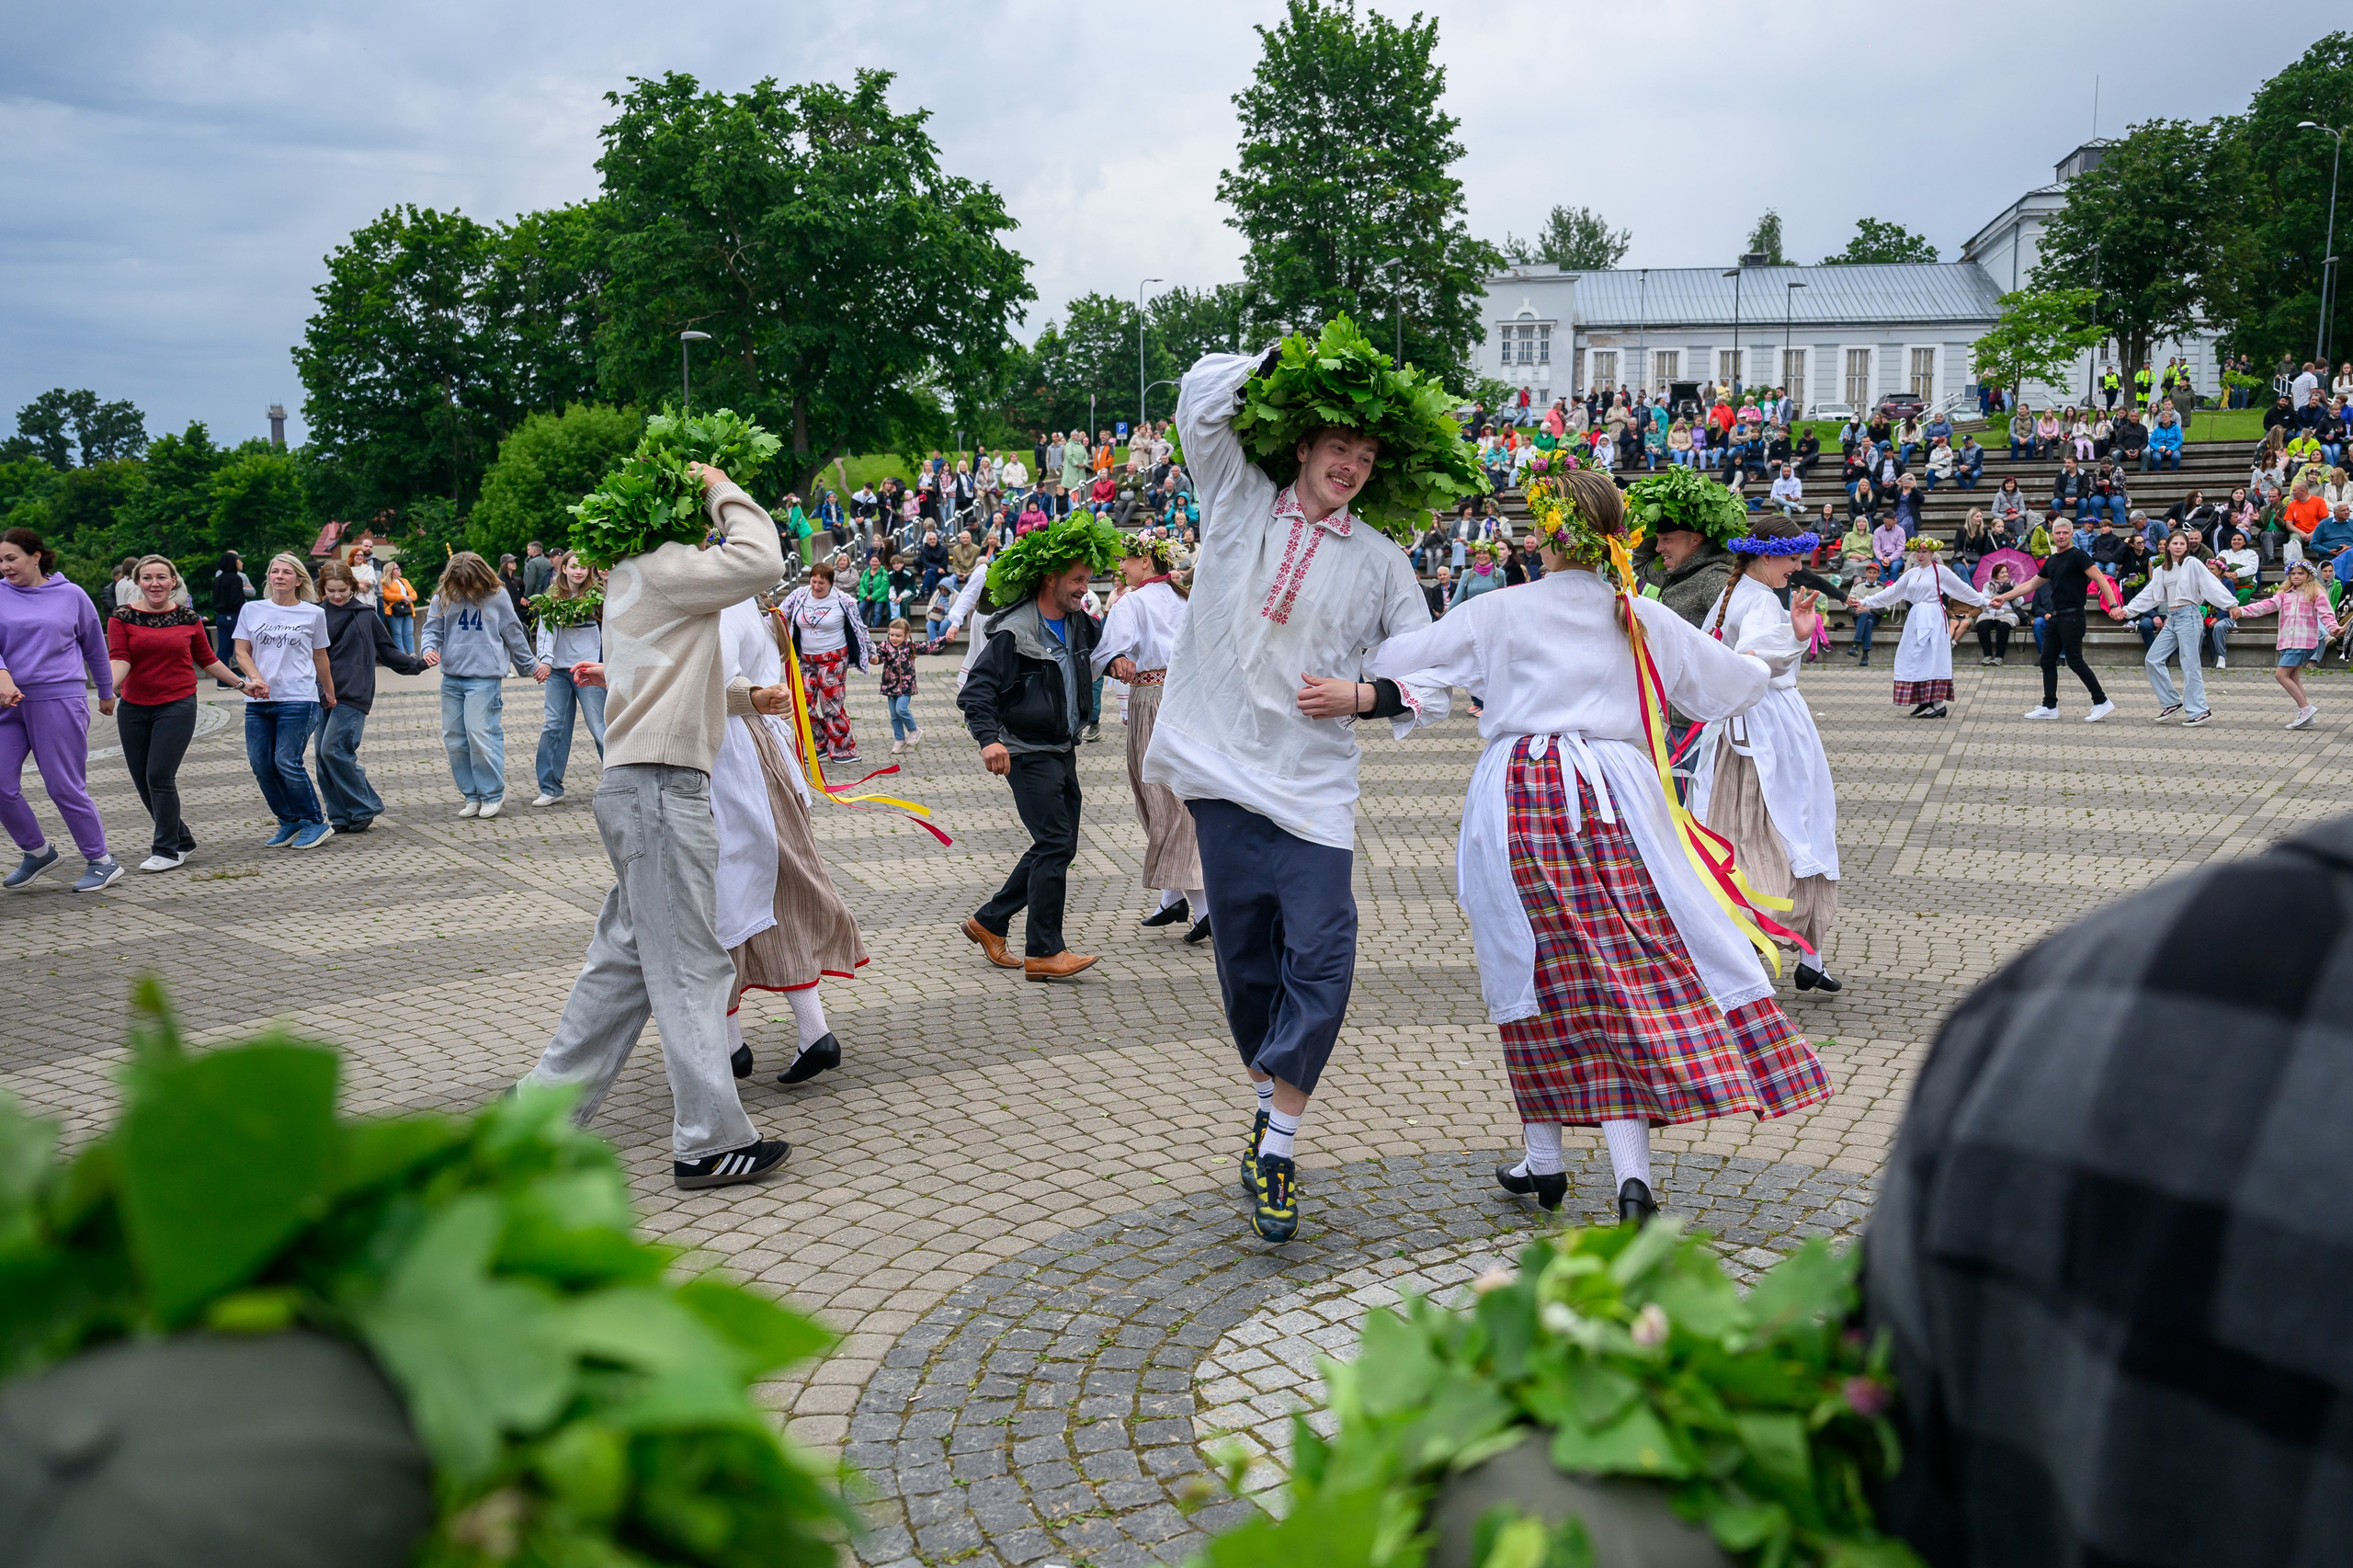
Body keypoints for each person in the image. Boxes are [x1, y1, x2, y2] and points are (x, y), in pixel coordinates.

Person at [1368, 469, 1829, 1223]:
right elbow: (1733, 684)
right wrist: (1780, 644)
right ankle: (1620, 1175)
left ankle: (1548, 1161)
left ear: (1549, 535)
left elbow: (1400, 658)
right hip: (1615, 798)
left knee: (1534, 968)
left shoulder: (1501, 608)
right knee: (1618, 971)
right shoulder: (1637, 612)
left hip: (1522, 795)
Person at [1142, 343, 1450, 1247]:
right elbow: (1199, 402)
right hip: (1220, 767)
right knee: (1246, 963)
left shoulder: (1383, 561)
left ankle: (1278, 1144)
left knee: (1322, 954)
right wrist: (1274, 364)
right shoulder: (1236, 496)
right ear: (1306, 444)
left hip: (1315, 787)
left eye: (1366, 455)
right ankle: (1263, 1102)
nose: (1350, 465)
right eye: (1338, 445)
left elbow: (1432, 677)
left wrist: (1363, 696)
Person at [520, 460, 794, 1192]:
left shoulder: (636, 575)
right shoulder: (667, 565)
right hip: (661, 790)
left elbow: (665, 677)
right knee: (691, 968)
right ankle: (708, 1142)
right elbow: (763, 559)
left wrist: (746, 699)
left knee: (622, 968)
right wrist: (720, 487)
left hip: (644, 786)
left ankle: (533, 1119)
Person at [710, 596, 867, 1088]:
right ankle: (807, 1033)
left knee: (726, 895)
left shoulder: (720, 604)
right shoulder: (748, 606)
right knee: (775, 894)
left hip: (733, 761)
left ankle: (731, 1045)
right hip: (760, 754)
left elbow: (714, 682)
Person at [958, 514, 1120, 984]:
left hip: (1061, 747)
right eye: (1077, 581)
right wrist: (989, 740)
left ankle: (989, 920)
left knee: (1059, 844)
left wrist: (1118, 660)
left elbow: (1104, 651)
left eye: (1087, 581)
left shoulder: (1080, 624)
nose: (1084, 589)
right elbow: (975, 692)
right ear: (1051, 578)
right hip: (1025, 751)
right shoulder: (1015, 633)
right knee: (1054, 843)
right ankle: (1044, 951)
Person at [1686, 518, 1844, 990]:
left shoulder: (1736, 591)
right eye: (1792, 559)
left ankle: (1808, 956)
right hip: (1766, 726)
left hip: (1750, 722)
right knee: (1780, 829)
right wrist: (1795, 636)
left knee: (1769, 825)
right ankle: (1757, 948)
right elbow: (1752, 658)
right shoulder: (1756, 599)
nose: (1797, 568)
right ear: (1767, 556)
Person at [105, 555, 253, 871]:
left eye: (161, 577)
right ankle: (182, 839)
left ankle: (167, 849)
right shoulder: (122, 617)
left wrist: (241, 684)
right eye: (147, 578)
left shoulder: (188, 617)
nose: (154, 584)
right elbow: (120, 657)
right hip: (133, 707)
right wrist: (109, 689)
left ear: (173, 581)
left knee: (159, 776)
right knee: (143, 780)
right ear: (138, 582)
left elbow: (207, 659)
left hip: (177, 705)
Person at [1092, 536, 1206, 941]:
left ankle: (1204, 907)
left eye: (1125, 559)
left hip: (1153, 700)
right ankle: (1172, 898)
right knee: (1180, 795)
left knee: (1161, 798)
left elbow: (1103, 655)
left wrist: (1114, 659)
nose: (1120, 567)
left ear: (1145, 560)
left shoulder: (1132, 603)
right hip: (1191, 700)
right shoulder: (1185, 597)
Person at [0, 528, 123, 892]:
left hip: (58, 699)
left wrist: (105, 691)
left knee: (63, 785)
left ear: (36, 556)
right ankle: (37, 852)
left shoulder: (71, 595)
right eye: (0, 560)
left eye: (11, 558)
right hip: (8, 702)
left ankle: (102, 860)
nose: (5, 566)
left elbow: (95, 647)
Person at [420, 551, 538, 818]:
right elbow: (432, 629)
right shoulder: (443, 596)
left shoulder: (497, 596)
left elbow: (513, 632)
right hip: (452, 677)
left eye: (469, 584)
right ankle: (471, 795)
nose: (465, 590)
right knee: (454, 739)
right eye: (460, 584)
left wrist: (529, 665)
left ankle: (492, 793)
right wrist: (428, 649)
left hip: (484, 679)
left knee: (480, 734)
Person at [312, 560, 426, 833]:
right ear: (322, 589)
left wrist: (418, 664)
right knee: (321, 757)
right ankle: (340, 815)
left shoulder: (365, 615)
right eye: (331, 591)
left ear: (352, 586)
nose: (337, 596)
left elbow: (387, 650)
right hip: (320, 693)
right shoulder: (315, 615)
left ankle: (364, 806)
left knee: (334, 750)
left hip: (353, 693)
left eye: (342, 590)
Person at [233, 552, 337, 851]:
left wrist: (329, 691)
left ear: (298, 580)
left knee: (286, 761)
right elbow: (241, 651)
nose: (279, 576)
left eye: (286, 572)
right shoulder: (251, 610)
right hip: (259, 700)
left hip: (299, 698)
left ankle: (314, 821)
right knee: (261, 764)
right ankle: (289, 820)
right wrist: (255, 679)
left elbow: (320, 656)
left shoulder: (313, 614)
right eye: (275, 571)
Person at [1988, 518, 2117, 722]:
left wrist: (2114, 605)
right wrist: (2003, 597)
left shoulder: (2079, 556)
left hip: (2073, 616)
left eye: (2065, 533)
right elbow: (2031, 585)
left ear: (2072, 534)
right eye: (2058, 533)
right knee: (2047, 660)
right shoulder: (2052, 560)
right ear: (2052, 535)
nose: (2061, 536)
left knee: (2075, 660)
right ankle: (2049, 706)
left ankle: (2101, 701)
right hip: (2055, 616)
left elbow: (2100, 579)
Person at [1849, 538, 1988, 720]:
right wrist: (1865, 602)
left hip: (1933, 616)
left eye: (1924, 552)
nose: (1920, 555)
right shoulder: (1912, 573)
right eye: (1918, 552)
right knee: (1913, 655)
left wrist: (1984, 601)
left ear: (1932, 553)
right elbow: (1892, 592)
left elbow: (1961, 589)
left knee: (1933, 655)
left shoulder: (1940, 571)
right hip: (1916, 617)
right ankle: (1925, 697)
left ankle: (1938, 703)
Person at [2118, 533, 2234, 727]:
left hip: (2189, 616)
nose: (2178, 546)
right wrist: (2128, 611)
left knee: (2190, 665)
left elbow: (2211, 584)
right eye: (2175, 543)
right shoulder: (2161, 570)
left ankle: (2200, 710)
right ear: (2168, 546)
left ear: (2187, 547)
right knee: (2152, 659)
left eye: (2182, 543)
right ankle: (2171, 702)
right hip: (2172, 618)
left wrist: (2230, 604)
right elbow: (2150, 594)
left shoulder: (2192, 564)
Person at [529, 551, 607, 808]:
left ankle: (616, 781)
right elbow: (546, 631)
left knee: (600, 727)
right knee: (554, 726)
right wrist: (545, 660)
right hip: (559, 673)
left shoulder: (598, 597)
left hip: (589, 670)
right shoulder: (551, 598)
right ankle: (550, 787)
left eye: (584, 567)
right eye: (574, 566)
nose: (579, 571)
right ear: (563, 568)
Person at [776, 562, 871, 765]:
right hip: (806, 659)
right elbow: (778, 615)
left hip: (833, 659)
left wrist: (871, 651)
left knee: (831, 706)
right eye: (814, 581)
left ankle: (843, 748)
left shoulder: (843, 600)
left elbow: (860, 627)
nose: (816, 586)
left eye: (821, 583)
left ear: (831, 583)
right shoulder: (800, 595)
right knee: (802, 705)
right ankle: (818, 743)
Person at [2232, 561, 2338, 729]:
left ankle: (2305, 709)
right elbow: (2265, 606)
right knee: (2293, 677)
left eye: (2300, 573)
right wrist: (2243, 610)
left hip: (2303, 641)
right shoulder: (2284, 594)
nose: (2296, 576)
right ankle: (2306, 715)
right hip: (2287, 641)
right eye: (2293, 573)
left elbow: (2326, 613)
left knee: (2281, 675)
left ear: (2308, 575)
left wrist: (2333, 628)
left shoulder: (2315, 592)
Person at [876, 617, 919, 754]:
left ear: (906, 635)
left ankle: (914, 730)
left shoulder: (911, 647)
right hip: (890, 687)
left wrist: (945, 639)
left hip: (906, 687)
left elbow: (929, 646)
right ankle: (899, 740)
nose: (894, 638)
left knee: (901, 709)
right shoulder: (885, 646)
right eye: (892, 635)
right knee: (894, 716)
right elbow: (878, 657)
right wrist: (873, 658)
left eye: (898, 636)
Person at [210, 550, 250, 689]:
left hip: (220, 616)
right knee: (242, 647)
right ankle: (247, 673)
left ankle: (222, 680)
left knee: (223, 649)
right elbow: (237, 600)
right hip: (234, 616)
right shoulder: (236, 579)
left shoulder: (217, 580)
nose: (241, 563)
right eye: (238, 560)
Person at [1974, 564, 2021, 665]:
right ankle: (1987, 655)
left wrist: (2012, 594)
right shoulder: (1988, 585)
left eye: (2006, 572)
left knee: (2003, 626)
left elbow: (2019, 603)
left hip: (2007, 614)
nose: (2005, 574)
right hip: (1989, 613)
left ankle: (1999, 657)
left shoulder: (2014, 585)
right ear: (1996, 575)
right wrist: (2000, 595)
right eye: (2002, 572)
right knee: (1982, 625)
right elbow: (1985, 600)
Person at [378, 561, 418, 654]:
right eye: (396, 568)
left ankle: (412, 653)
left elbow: (413, 592)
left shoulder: (404, 581)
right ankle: (401, 654)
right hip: (394, 610)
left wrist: (410, 598)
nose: (399, 570)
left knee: (408, 632)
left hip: (407, 608)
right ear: (390, 570)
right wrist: (402, 597)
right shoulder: (384, 582)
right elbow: (387, 595)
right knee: (397, 633)